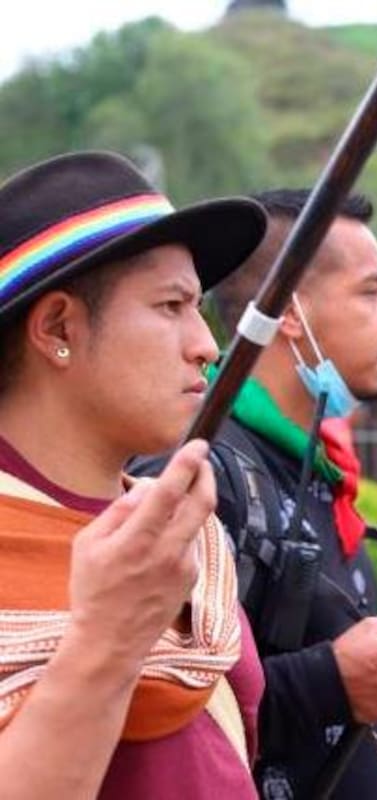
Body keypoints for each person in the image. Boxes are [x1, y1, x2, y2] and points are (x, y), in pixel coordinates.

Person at [133, 188, 377, 799]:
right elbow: (157, 700)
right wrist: (329, 681)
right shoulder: (199, 469)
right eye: (371, 291)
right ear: (290, 312)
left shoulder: (318, 464)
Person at [0, 150, 267, 798]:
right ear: (59, 327)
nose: (206, 344)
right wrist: (106, 641)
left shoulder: (183, 539)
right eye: (172, 305)